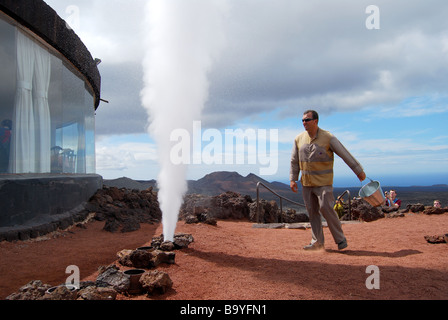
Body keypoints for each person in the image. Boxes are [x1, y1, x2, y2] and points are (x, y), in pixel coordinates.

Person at [290, 110, 366, 251]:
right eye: (302, 120)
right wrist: (293, 179)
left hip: (323, 183)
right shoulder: (298, 139)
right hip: (306, 183)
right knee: (312, 212)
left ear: (315, 121)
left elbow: (344, 154)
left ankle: (340, 239)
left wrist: (358, 171)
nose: (304, 123)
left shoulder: (328, 137)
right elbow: (294, 161)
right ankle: (317, 242)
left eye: (307, 120)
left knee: (326, 208)